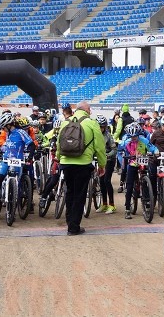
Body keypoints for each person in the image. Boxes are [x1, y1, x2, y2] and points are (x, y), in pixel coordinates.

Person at [56, 101, 106, 235]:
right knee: (79, 195)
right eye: (89, 109)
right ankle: (74, 227)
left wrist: (59, 158)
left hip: (66, 163)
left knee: (70, 192)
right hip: (83, 164)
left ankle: (69, 221)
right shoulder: (92, 123)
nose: (90, 111)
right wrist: (102, 165)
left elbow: (59, 143)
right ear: (85, 109)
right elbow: (100, 147)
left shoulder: (66, 122)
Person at [0, 113, 35, 210]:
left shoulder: (20, 132)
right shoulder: (6, 133)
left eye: (4, 127)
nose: (3, 129)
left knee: (16, 182)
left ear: (9, 125)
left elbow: (32, 144)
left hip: (17, 160)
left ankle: (16, 201)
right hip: (6, 159)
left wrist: (30, 157)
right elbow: (2, 144)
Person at [118, 123, 159, 219]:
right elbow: (120, 151)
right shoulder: (126, 142)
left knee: (145, 182)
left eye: (135, 136)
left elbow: (152, 147)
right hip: (132, 163)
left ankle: (147, 202)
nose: (134, 138)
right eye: (131, 137)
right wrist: (122, 156)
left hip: (142, 163)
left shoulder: (144, 140)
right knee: (129, 185)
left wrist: (156, 152)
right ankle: (127, 208)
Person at [94, 115, 118, 214]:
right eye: (98, 126)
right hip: (100, 160)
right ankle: (104, 204)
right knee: (101, 181)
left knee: (107, 180)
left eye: (102, 126)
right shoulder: (94, 135)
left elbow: (114, 149)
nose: (100, 128)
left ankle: (112, 205)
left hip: (109, 160)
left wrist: (108, 155)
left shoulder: (108, 136)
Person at [37, 119, 63, 210]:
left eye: (59, 129)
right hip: (57, 161)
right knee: (53, 179)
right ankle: (44, 197)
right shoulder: (54, 138)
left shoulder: (67, 136)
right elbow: (51, 145)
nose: (58, 131)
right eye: (56, 129)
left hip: (67, 161)